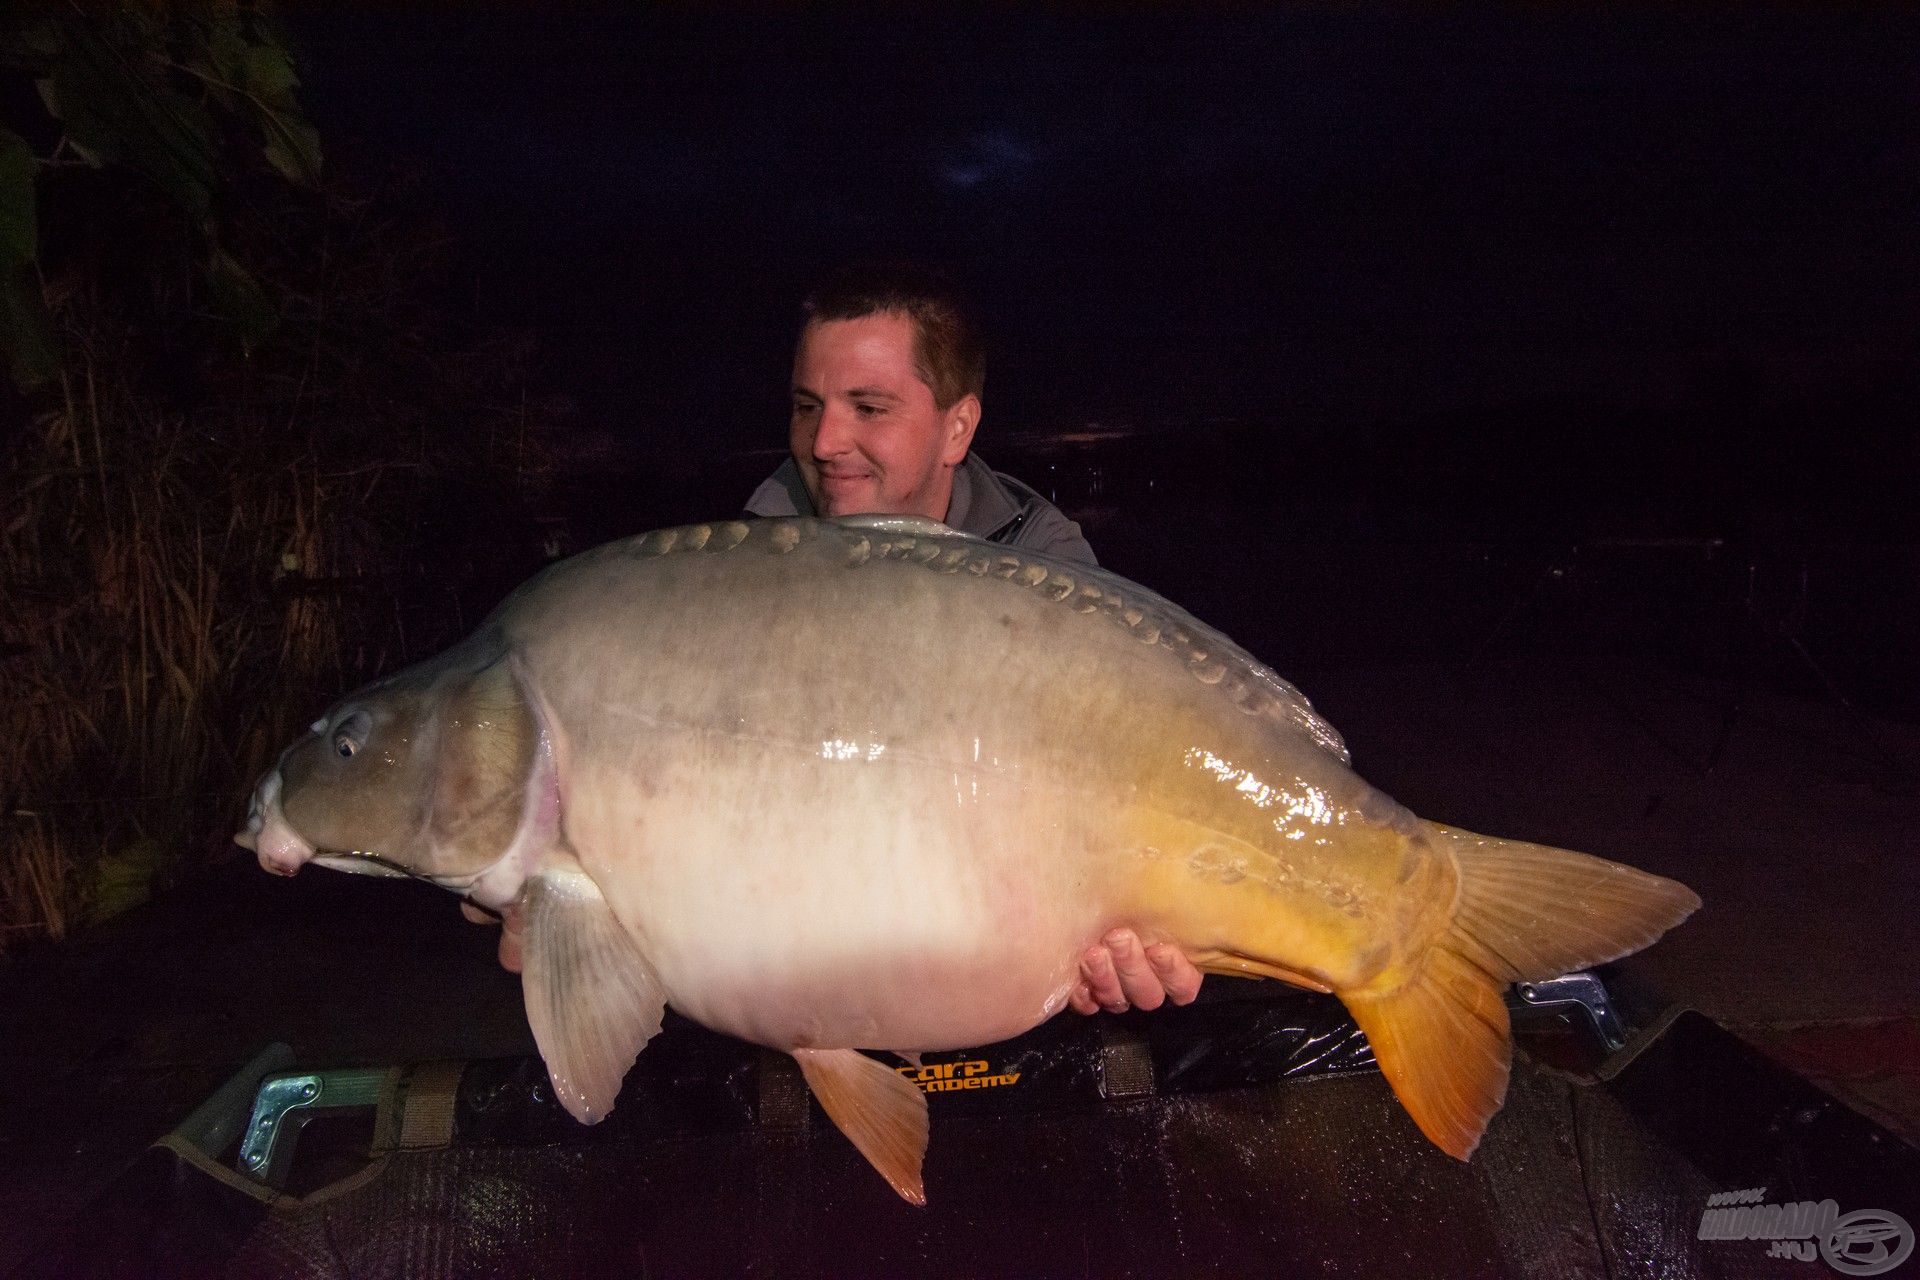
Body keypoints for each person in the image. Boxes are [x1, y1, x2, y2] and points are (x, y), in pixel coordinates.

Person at [469, 267, 1204, 1019]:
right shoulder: (735, 573)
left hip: (998, 984)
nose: (823, 441)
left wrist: (1130, 940)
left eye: (868, 407)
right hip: (820, 983)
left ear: (957, 427)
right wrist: (553, 877)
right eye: (807, 406)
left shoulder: (1055, 578)